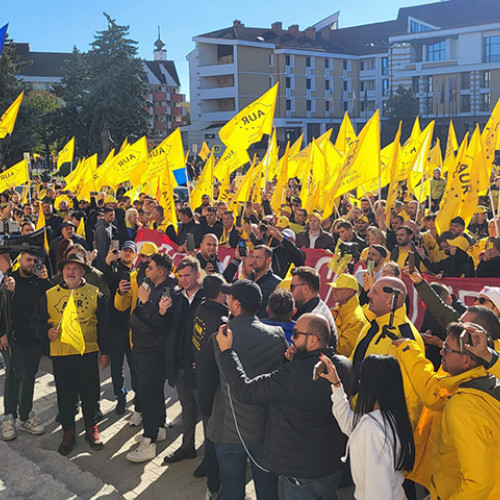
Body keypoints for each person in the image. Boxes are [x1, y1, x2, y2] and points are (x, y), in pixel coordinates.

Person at [216, 313, 352, 500]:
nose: (292, 339)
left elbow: (245, 391)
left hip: (299, 473)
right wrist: (292, 362)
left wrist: (226, 352)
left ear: (312, 340)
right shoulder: (342, 365)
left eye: (296, 334)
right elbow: (310, 392)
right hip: (330, 467)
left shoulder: (294, 374)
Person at [201, 279, 287, 500]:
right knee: (268, 489)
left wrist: (207, 416)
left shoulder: (218, 338)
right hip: (264, 427)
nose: (227, 301)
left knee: (232, 490)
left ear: (236, 304)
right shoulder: (277, 335)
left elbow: (206, 385)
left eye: (230, 298)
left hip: (227, 429)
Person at [393, 322, 500, 499]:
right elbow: (434, 391)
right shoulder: (484, 383)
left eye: (446, 349)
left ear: (466, 360)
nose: (441, 352)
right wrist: (407, 350)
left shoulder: (462, 407)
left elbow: (478, 483)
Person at [30, 254, 111, 455]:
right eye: (67, 269)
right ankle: (68, 431)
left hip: (88, 353)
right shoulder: (49, 295)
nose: (71, 272)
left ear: (83, 272)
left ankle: (91, 427)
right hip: (61, 354)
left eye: (75, 269)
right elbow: (35, 323)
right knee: (65, 394)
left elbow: (105, 326)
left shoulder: (95, 294)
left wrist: (106, 352)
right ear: (62, 272)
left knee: (90, 392)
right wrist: (46, 332)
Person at [321, 353, 415, 500]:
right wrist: (337, 384)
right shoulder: (389, 417)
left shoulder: (372, 429)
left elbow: (378, 492)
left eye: (362, 378)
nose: (359, 381)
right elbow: (349, 424)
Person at [350, 277, 424, 427]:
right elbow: (355, 362)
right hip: (360, 417)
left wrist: (398, 434)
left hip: (381, 428)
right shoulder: (372, 325)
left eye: (374, 292)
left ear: (392, 300)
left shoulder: (405, 338)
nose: (368, 295)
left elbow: (409, 396)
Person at [123, 253, 175, 463]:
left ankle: (149, 440)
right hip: (143, 348)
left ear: (161, 272)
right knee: (152, 392)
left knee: (148, 394)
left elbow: (155, 324)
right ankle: (159, 428)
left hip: (152, 352)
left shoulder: (167, 290)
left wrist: (144, 306)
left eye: (151, 267)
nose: (147, 270)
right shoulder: (153, 287)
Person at [1, 248, 52, 441]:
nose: (32, 264)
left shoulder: (40, 281)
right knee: (14, 377)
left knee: (29, 377)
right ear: (20, 260)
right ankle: (9, 417)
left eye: (35, 261)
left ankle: (25, 416)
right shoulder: (9, 279)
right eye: (29, 260)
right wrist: (2, 333)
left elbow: (51, 301)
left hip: (35, 339)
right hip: (14, 339)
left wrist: (46, 280)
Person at [163, 257, 205, 464]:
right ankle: (187, 446)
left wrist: (204, 360)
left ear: (197, 274)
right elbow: (168, 328)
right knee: (187, 407)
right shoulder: (176, 297)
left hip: (199, 367)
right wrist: (162, 312)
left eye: (187, 275)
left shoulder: (208, 298)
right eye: (180, 276)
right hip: (179, 364)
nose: (183, 280)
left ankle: (211, 456)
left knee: (206, 412)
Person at [191, 274, 227, 496]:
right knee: (215, 433)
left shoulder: (200, 308)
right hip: (213, 386)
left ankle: (209, 466)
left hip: (200, 379)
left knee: (208, 427)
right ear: (222, 293)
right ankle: (214, 479)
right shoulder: (222, 321)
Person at [290, 266, 337, 342]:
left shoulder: (315, 317)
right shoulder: (311, 307)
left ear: (306, 289)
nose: (289, 291)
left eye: (292, 287)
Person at [329, 274, 368, 357]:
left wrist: (330, 326)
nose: (334, 291)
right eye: (334, 287)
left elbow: (344, 350)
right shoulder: (337, 308)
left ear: (350, 291)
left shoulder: (357, 319)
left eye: (338, 288)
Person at [252, 245, 282, 318]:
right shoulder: (247, 279)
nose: (254, 260)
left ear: (268, 260)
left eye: (258, 257)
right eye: (253, 257)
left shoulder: (277, 283)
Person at [93, 207, 117, 271]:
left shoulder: (110, 226)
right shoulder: (101, 229)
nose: (112, 217)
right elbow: (101, 247)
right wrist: (105, 264)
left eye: (113, 215)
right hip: (103, 261)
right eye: (110, 215)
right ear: (105, 215)